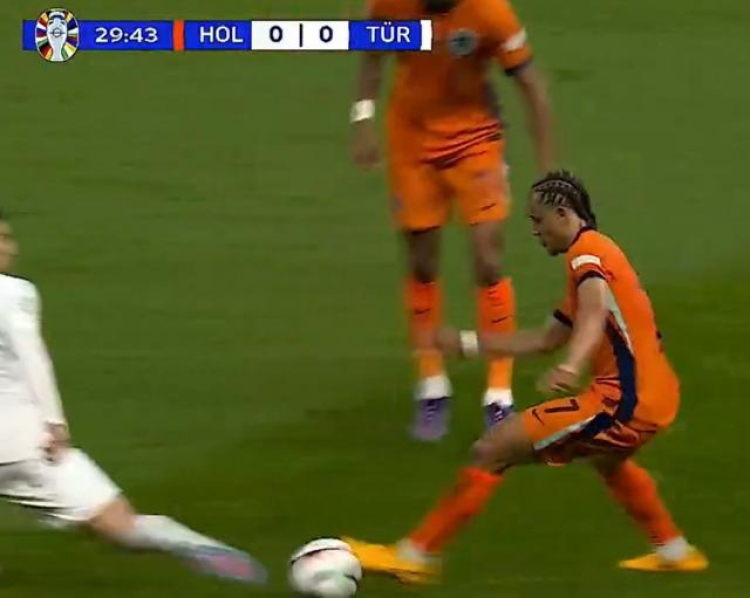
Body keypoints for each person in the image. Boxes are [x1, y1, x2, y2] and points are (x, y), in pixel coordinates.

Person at [343, 171, 708, 580]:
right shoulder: (596, 254)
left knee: (493, 449)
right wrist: (466, 343)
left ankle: (415, 556)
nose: (535, 231)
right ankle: (675, 551)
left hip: (624, 403)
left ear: (563, 213)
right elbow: (545, 339)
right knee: (609, 461)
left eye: (538, 220)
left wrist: (572, 365)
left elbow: (593, 314)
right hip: (654, 395)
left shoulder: (586, 257)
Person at [0, 211, 267, 585]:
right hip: (23, 445)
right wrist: (54, 420)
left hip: (17, 446)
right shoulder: (13, 292)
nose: (10, 248)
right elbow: (32, 356)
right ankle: (189, 543)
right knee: (121, 525)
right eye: (2, 240)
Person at [351, 0, 555, 440]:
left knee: (488, 261)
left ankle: (498, 395)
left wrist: (547, 172)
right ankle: (431, 385)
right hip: (411, 142)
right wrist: (362, 116)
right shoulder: (392, 3)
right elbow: (371, 48)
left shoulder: (490, 13)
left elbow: (532, 85)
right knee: (422, 262)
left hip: (475, 141)